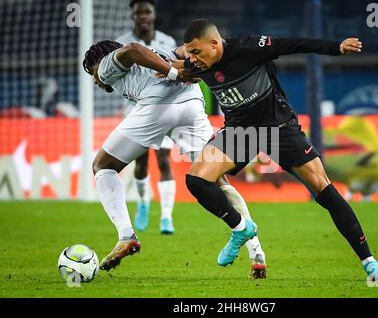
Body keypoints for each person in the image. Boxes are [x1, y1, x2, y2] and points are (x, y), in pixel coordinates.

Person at [181, 19, 378, 282]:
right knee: (196, 180)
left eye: (196, 52)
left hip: (279, 128)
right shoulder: (197, 63)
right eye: (190, 53)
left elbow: (295, 43)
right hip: (241, 133)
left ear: (214, 43)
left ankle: (371, 264)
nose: (193, 58)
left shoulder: (250, 48)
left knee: (325, 191)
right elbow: (180, 63)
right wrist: (166, 68)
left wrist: (336, 47)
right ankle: (240, 228)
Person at [82, 40, 267, 278]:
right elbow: (192, 59)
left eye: (92, 71)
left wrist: (172, 73)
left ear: (100, 61)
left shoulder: (109, 64)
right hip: (191, 104)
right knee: (215, 178)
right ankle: (257, 253)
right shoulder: (163, 50)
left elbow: (132, 49)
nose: (96, 80)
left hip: (158, 106)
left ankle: (126, 235)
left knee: (102, 166)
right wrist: (192, 71)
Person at [116, 0, 177, 234]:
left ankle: (166, 217)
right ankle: (143, 203)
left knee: (164, 162)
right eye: (138, 12)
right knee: (141, 164)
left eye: (147, 11)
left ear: (153, 14)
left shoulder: (167, 41)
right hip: (136, 111)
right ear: (133, 15)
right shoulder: (122, 43)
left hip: (163, 111)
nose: (143, 15)